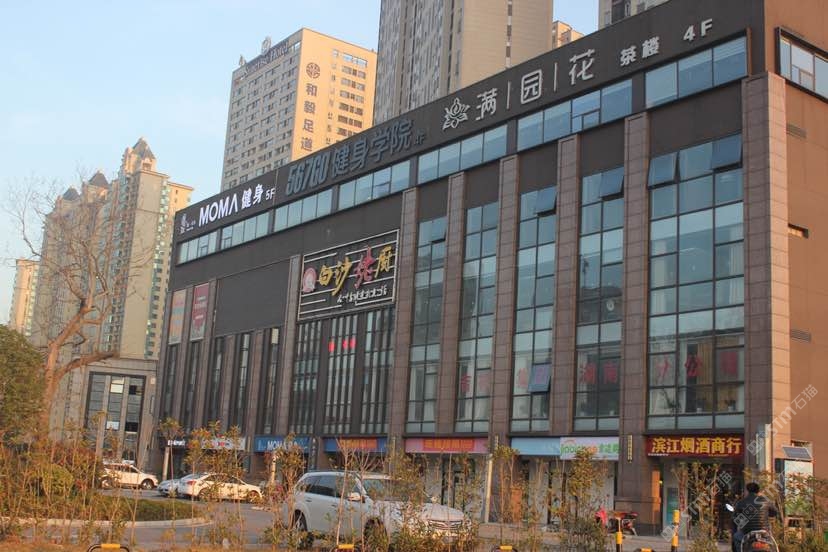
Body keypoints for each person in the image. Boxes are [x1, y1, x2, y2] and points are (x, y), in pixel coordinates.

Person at [732, 482, 777, 552]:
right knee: (772, 544)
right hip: (764, 532)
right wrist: (767, 514)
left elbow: (736, 519)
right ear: (758, 491)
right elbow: (774, 513)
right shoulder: (766, 500)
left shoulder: (741, 502)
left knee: (736, 537)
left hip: (747, 533)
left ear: (747, 491)